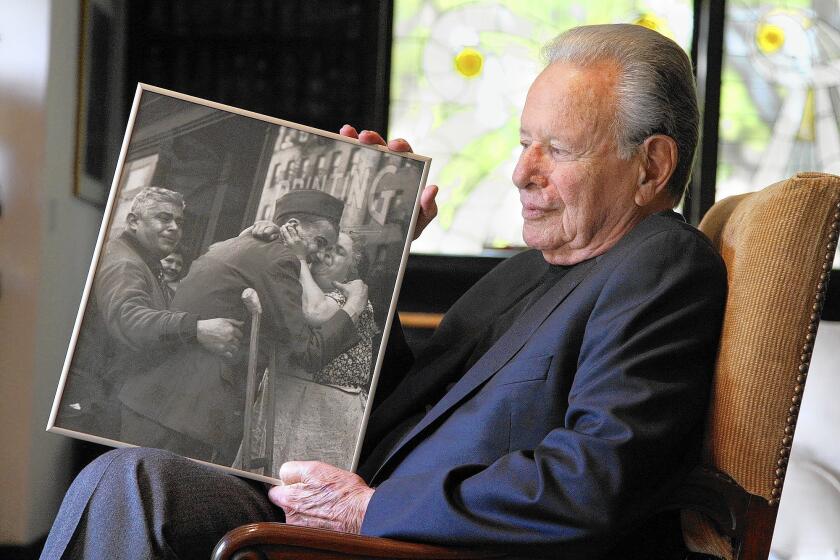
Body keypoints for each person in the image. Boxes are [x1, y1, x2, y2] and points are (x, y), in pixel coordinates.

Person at [42, 24, 727, 559]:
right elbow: (403, 404)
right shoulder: (528, 270)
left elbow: (592, 482)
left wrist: (369, 510)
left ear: (652, 166)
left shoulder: (662, 264)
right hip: (350, 513)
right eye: (524, 143)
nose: (521, 173)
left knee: (130, 487)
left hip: (409, 541)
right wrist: (379, 268)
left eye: (558, 149)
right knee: (131, 479)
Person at [116, 189, 369, 464]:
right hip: (182, 415)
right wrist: (354, 305)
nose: (320, 254)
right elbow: (308, 352)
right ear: (293, 228)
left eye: (328, 248)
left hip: (160, 403)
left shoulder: (237, 245)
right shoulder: (278, 260)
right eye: (320, 242)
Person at [55, 187, 244, 440]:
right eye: (164, 218)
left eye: (179, 221)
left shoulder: (141, 261)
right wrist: (197, 329)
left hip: (103, 397)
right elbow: (130, 320)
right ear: (133, 221)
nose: (174, 227)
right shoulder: (126, 263)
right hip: (92, 403)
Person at [242, 230, 380, 474]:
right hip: (284, 400)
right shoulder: (294, 286)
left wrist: (300, 258)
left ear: (351, 271)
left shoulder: (350, 298)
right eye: (327, 245)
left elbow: (316, 312)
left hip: (323, 413)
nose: (328, 253)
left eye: (339, 251)